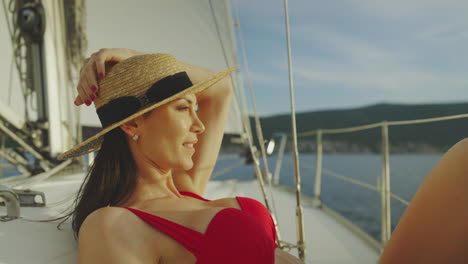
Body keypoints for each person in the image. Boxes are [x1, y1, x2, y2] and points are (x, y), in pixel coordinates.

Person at [59, 48, 303, 264]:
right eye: (184, 108)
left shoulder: (186, 186)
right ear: (133, 124)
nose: (199, 125)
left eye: (195, 109)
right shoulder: (113, 226)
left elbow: (220, 88)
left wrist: (136, 58)